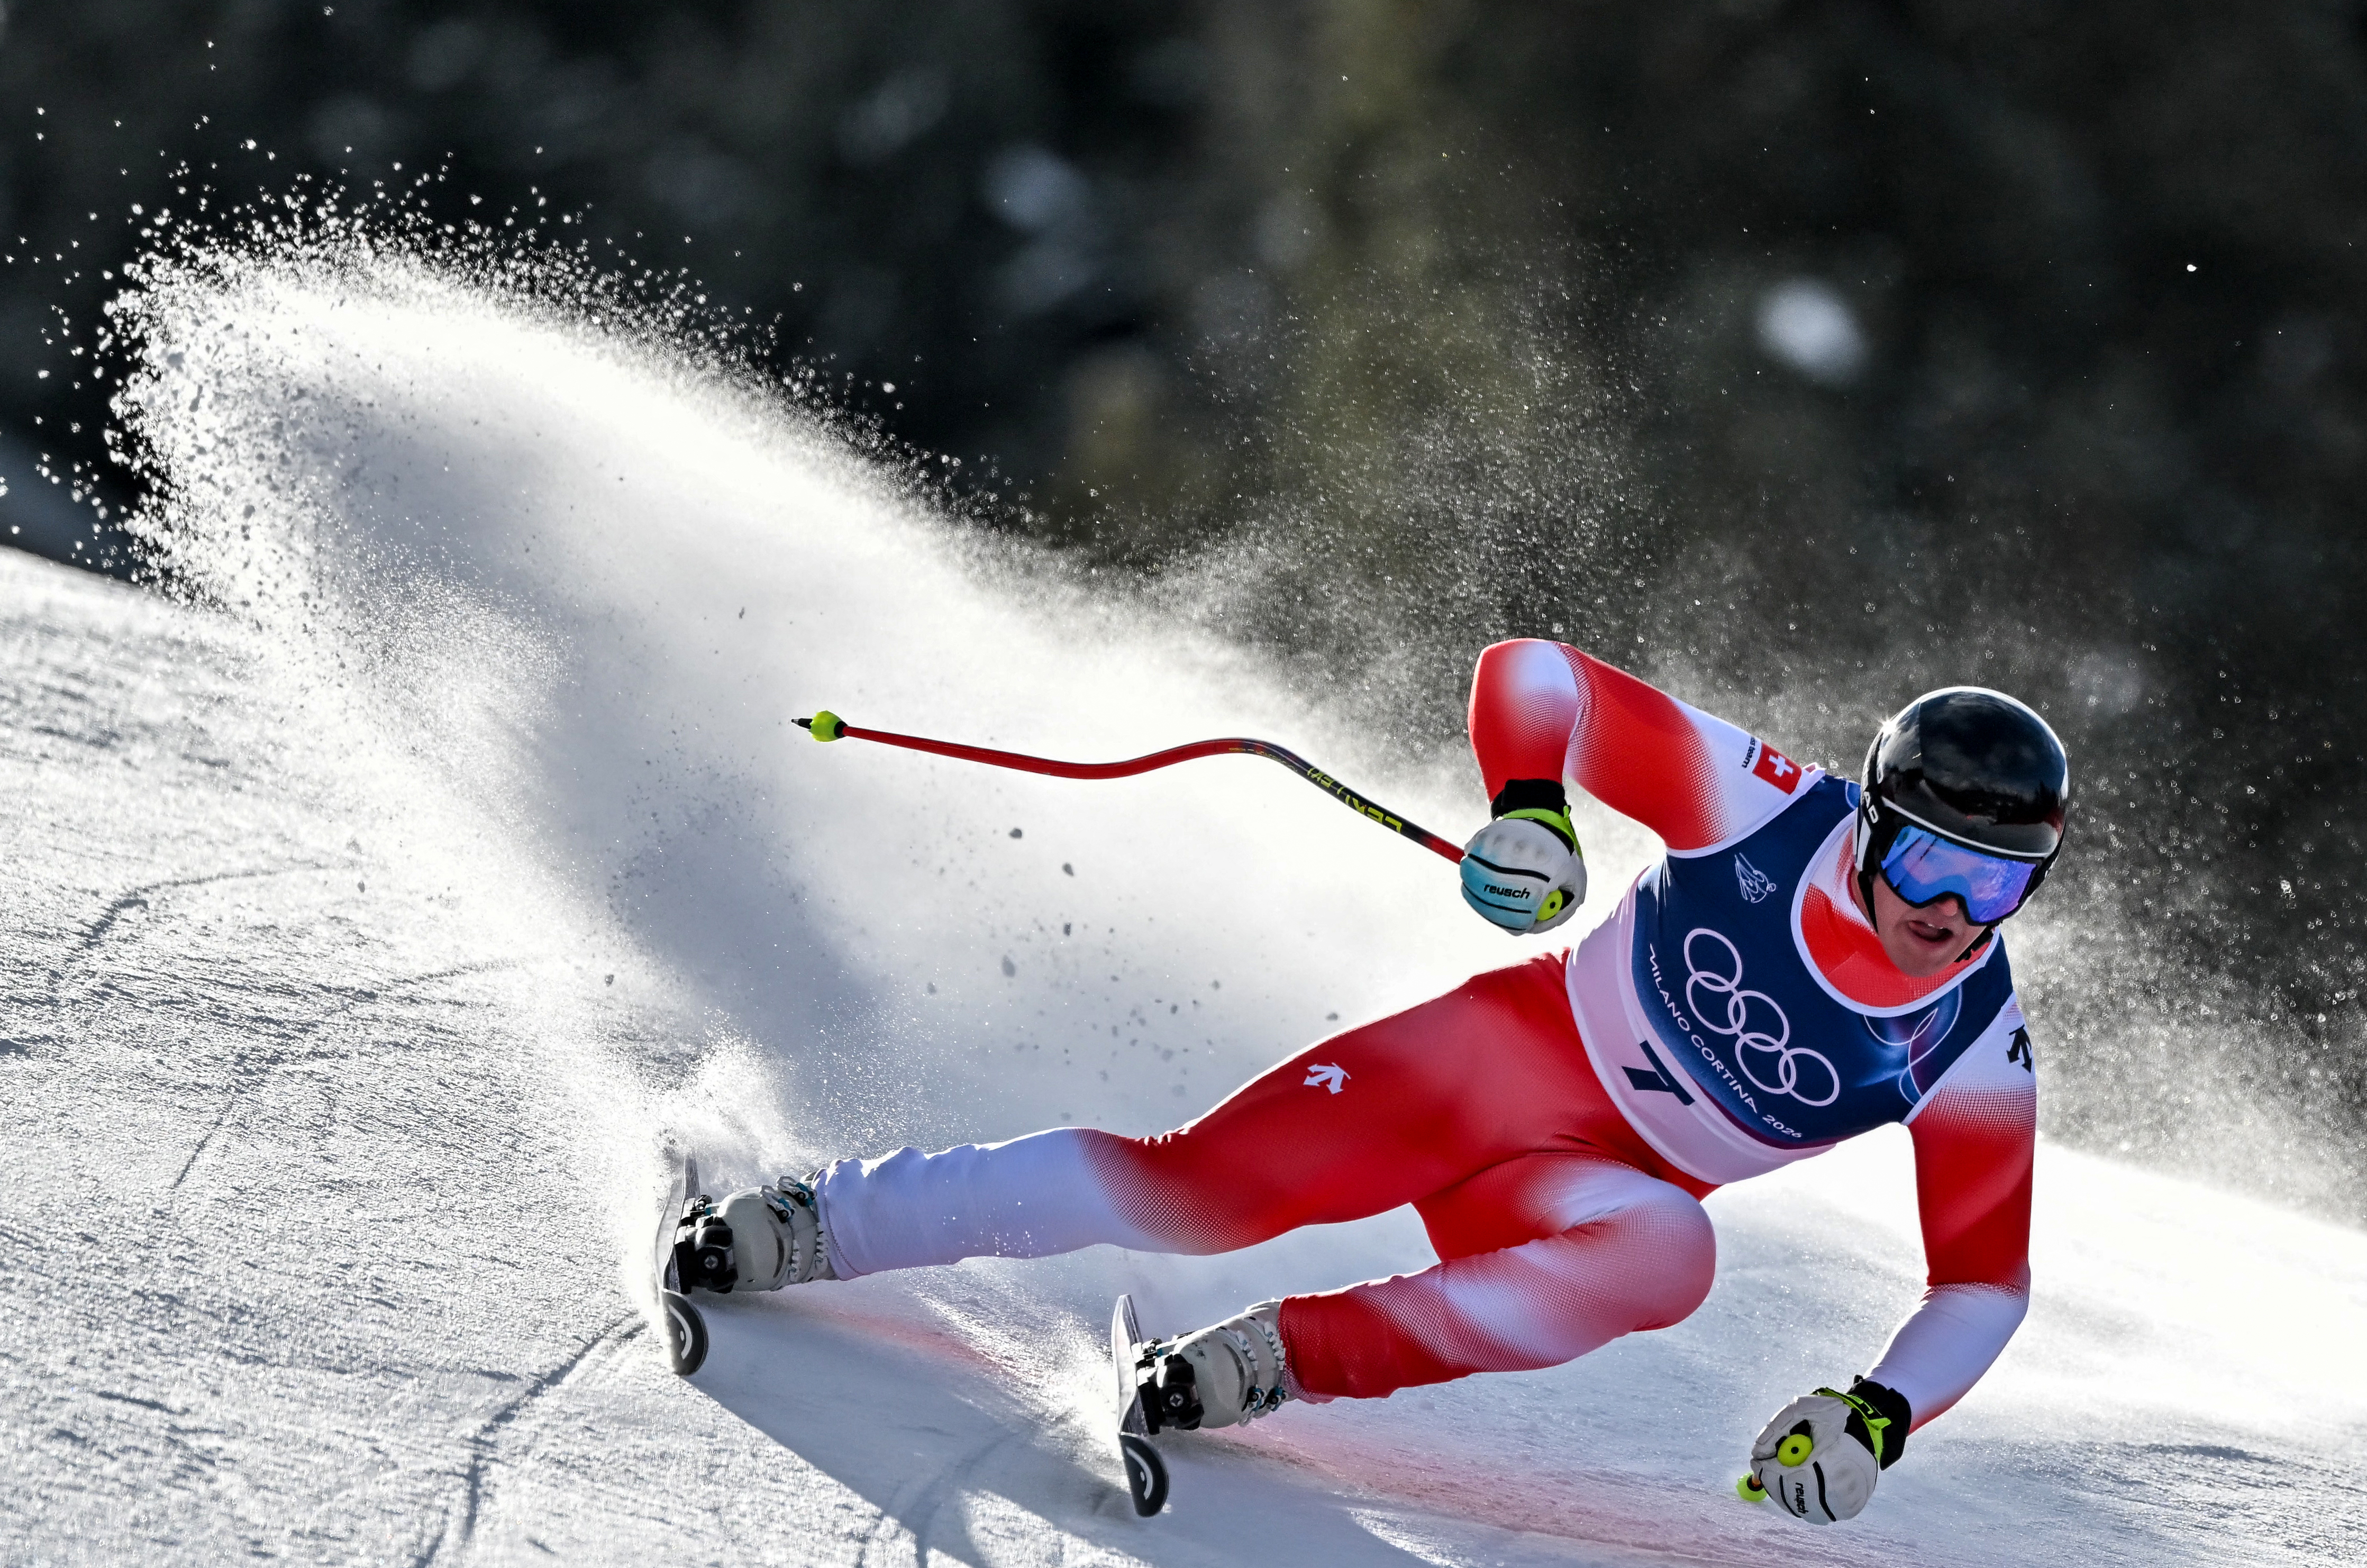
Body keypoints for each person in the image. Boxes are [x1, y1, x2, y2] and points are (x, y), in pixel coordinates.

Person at [672, 641, 2061, 1524]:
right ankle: (813, 1222)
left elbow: (1981, 1282)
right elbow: (1539, 678)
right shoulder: (1765, 808)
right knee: (1194, 1195)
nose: (1953, 910)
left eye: (2000, 883)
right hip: (1490, 1066)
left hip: (1579, 1184)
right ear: (1873, 822)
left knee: (1671, 1251)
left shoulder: (1970, 1039)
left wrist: (1876, 1414)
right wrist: (1532, 808)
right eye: (1934, 862)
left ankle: (1265, 1364)